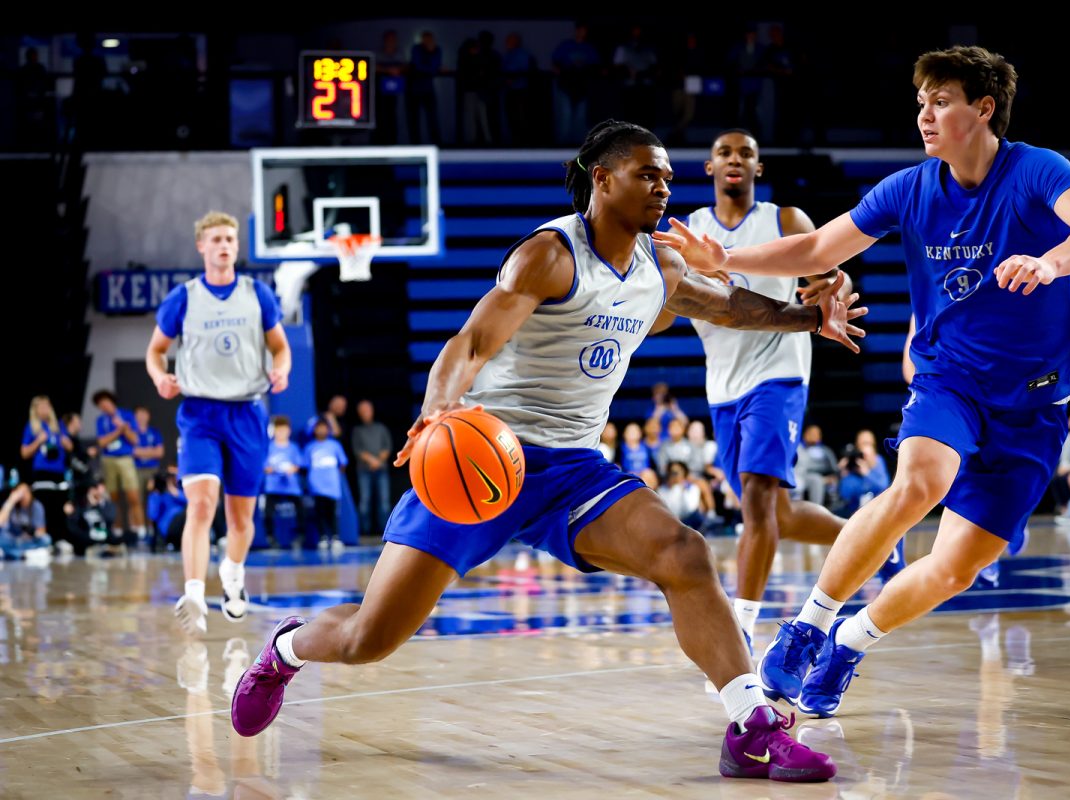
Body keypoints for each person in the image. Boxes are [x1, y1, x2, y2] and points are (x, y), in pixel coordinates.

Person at [232, 120, 866, 782]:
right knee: (370, 639)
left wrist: (807, 318)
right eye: (648, 174)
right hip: (484, 458)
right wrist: (434, 411)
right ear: (603, 178)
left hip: (572, 470)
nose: (664, 188)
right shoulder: (549, 254)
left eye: (668, 178)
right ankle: (285, 650)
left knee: (683, 553)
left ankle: (750, 729)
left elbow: (730, 305)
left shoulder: (661, 263)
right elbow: (470, 345)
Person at [655, 46, 1070, 715]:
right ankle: (806, 628)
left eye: (940, 101)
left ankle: (850, 639)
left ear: (984, 107)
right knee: (919, 482)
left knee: (958, 567)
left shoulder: (1034, 171)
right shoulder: (908, 189)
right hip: (952, 379)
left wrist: (1053, 262)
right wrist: (725, 257)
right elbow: (820, 248)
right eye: (920, 103)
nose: (925, 116)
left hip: (1036, 405)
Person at [665, 128, 858, 655]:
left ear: (758, 168)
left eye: (745, 153)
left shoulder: (785, 219)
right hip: (722, 382)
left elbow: (835, 277)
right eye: (724, 152)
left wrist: (833, 286)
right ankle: (873, 541)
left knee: (754, 499)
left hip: (779, 370)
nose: (734, 159)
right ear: (709, 168)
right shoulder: (688, 230)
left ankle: (742, 629)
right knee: (779, 515)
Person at [146, 210, 292, 634]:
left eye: (230, 238)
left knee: (241, 519)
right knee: (202, 503)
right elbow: (155, 350)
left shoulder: (257, 294)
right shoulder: (184, 297)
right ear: (201, 246)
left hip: (246, 412)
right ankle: (193, 593)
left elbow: (280, 347)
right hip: (199, 414)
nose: (224, 245)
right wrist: (160, 377)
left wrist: (281, 369)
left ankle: (233, 572)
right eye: (216, 239)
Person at [21, 395, 73, 547]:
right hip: (42, 473)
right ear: (35, 410)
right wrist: (38, 441)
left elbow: (70, 447)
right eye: (41, 406)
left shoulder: (58, 426)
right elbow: (24, 453)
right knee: (45, 505)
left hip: (59, 472)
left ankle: (60, 539)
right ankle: (46, 540)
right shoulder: (31, 426)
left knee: (60, 505)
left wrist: (65, 442)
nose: (45, 409)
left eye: (47, 406)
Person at [92, 389, 144, 542]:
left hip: (125, 458)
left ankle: (139, 529)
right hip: (108, 459)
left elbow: (135, 440)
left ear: (111, 401)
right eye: (100, 405)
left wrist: (124, 427)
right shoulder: (101, 420)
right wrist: (118, 431)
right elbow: (101, 442)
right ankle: (117, 529)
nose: (104, 406)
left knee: (133, 496)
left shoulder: (126, 415)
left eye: (105, 402)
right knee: (113, 498)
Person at [304, 419, 347, 551]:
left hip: (332, 487)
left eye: (324, 428)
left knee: (333, 513)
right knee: (320, 513)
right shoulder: (310, 447)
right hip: (317, 487)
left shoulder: (335, 445)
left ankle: (335, 537)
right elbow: (305, 465)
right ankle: (322, 537)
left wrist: (333, 477)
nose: (321, 430)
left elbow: (343, 463)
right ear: (314, 430)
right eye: (318, 428)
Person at [352, 400, 393, 537]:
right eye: (362, 411)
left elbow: (387, 447)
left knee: (384, 502)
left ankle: (387, 533)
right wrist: (371, 461)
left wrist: (378, 461)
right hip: (364, 470)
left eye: (367, 410)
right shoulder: (357, 430)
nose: (365, 413)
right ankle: (365, 532)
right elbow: (358, 450)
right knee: (365, 501)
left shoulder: (381, 428)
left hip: (381, 470)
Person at [263, 416, 304, 548]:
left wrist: (292, 469)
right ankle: (271, 538)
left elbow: (298, 465)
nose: (281, 433)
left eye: (284, 430)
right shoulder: (268, 447)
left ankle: (299, 537)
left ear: (289, 431)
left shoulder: (293, 448)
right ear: (274, 431)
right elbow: (265, 467)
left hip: (291, 487)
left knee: (301, 510)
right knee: (268, 512)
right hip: (273, 487)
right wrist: (274, 469)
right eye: (279, 430)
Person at [0, 484, 51, 562]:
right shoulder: (12, 505)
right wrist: (11, 500)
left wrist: (32, 532)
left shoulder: (36, 506)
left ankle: (16, 554)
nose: (24, 495)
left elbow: (42, 531)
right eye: (21, 493)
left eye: (26, 492)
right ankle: (24, 554)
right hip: (13, 539)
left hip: (29, 540)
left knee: (46, 539)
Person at [133, 406, 165, 496]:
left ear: (148, 416)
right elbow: (132, 452)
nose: (142, 417)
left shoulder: (154, 432)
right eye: (139, 414)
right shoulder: (131, 433)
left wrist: (140, 451)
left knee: (154, 497)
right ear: (134, 416)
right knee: (136, 499)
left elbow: (160, 452)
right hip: (136, 470)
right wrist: (150, 451)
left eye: (144, 414)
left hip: (153, 470)